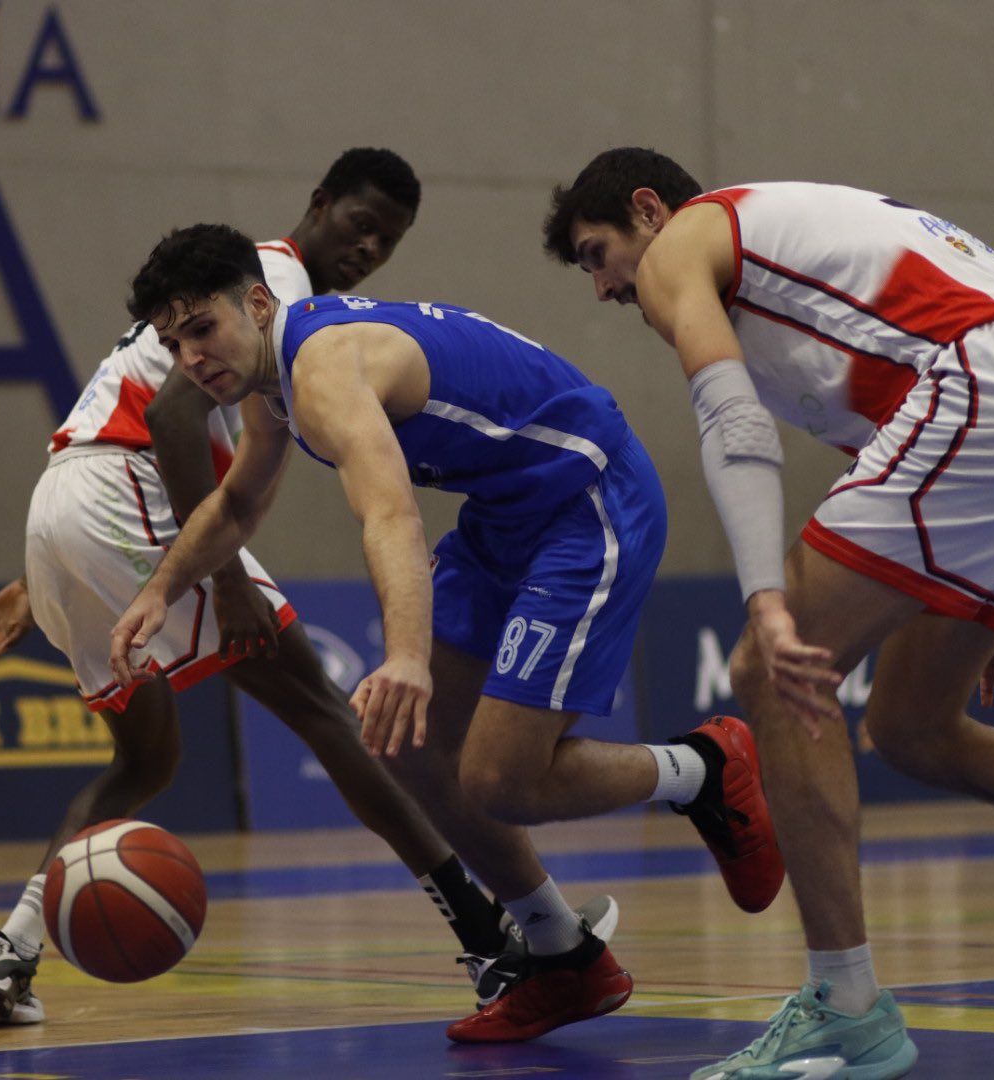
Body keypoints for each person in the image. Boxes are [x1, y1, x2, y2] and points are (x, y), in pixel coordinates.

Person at [0, 149, 607, 1028]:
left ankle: (11, 948)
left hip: (67, 504)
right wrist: (225, 580)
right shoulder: (267, 288)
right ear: (318, 206)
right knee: (330, 717)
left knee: (146, 760)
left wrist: (42, 578)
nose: (368, 247)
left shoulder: (249, 301)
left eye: (388, 238)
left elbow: (119, 431)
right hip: (127, 495)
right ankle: (489, 943)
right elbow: (174, 418)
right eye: (357, 223)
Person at [108, 222, 785, 1043]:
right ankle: (562, 953)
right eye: (174, 344)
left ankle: (704, 768)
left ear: (256, 303)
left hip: (588, 499)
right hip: (509, 515)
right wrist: (164, 588)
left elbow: (389, 512)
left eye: (202, 330)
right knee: (399, 747)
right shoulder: (274, 380)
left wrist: (406, 655)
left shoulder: (324, 368)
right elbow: (241, 503)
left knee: (500, 779)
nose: (191, 358)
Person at [547, 146, 994, 1079]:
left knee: (769, 669)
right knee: (913, 729)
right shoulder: (792, 265)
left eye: (596, 252)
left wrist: (768, 600)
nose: (606, 286)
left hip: (990, 386)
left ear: (648, 210)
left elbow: (731, 424)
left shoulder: (684, 244)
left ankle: (844, 1004)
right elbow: (895, 436)